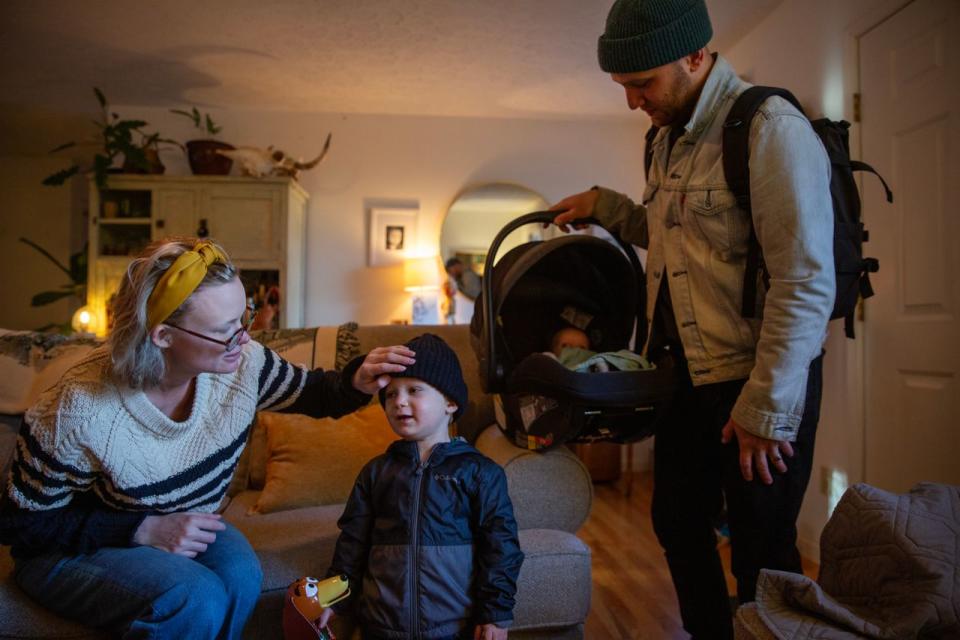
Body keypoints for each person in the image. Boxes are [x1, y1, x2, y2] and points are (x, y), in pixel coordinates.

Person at [549, 1, 834, 637]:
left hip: (756, 380)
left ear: (696, 56)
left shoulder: (769, 127)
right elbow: (683, 240)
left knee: (763, 550)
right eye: (622, 87)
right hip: (685, 376)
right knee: (678, 525)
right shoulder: (666, 136)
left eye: (641, 84)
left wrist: (766, 407)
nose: (632, 103)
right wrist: (607, 207)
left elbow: (805, 280)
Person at [0, 238, 415, 639]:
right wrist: (141, 530)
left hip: (176, 521)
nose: (244, 338)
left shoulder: (242, 364)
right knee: (193, 596)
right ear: (162, 336)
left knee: (240, 574)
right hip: (63, 552)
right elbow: (21, 526)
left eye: (243, 318)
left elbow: (317, 393)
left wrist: (359, 379)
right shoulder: (80, 408)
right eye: (223, 329)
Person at [319, 334, 523, 640]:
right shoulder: (376, 473)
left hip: (455, 629)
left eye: (414, 390)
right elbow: (351, 545)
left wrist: (495, 615)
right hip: (380, 628)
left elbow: (501, 548)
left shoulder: (480, 473)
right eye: (390, 394)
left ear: (451, 403)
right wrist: (329, 598)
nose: (399, 401)